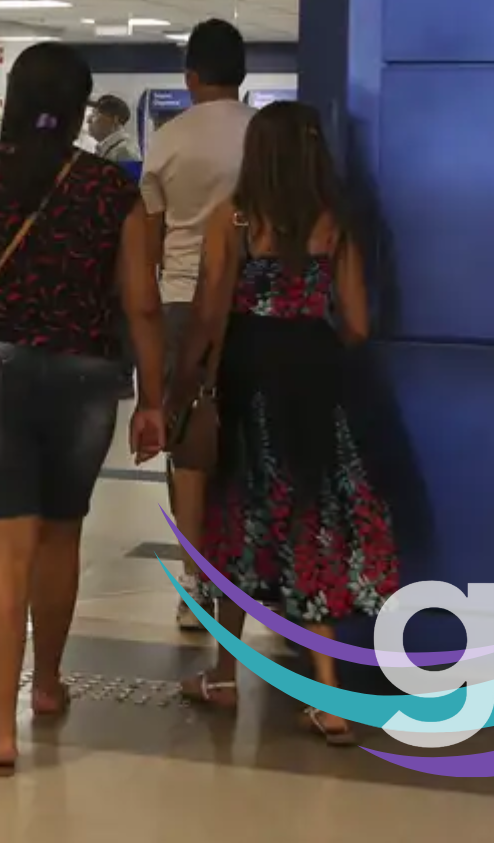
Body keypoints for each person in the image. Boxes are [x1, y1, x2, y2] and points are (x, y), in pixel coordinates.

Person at [0, 41, 167, 776]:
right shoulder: (111, 189)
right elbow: (142, 303)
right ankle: (46, 685)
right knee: (60, 536)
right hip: (87, 377)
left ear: (12, 99)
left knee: (3, 551)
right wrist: (153, 399)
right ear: (81, 109)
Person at [171, 101, 394, 745]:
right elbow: (358, 324)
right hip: (313, 380)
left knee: (236, 522)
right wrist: (310, 340)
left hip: (248, 376)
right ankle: (327, 699)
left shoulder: (235, 217)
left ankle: (222, 677)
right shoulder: (334, 223)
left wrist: (185, 380)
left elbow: (210, 311)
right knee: (313, 524)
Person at [139, 19, 254, 632]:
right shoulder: (262, 135)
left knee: (188, 447)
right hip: (251, 304)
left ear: (190, 77)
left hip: (183, 302)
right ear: (242, 75)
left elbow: (150, 241)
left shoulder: (168, 141)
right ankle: (245, 577)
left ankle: (193, 587)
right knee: (243, 446)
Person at [87, 95, 140, 163]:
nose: (88, 120)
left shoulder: (126, 153)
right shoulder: (109, 148)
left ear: (115, 120)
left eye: (95, 114)